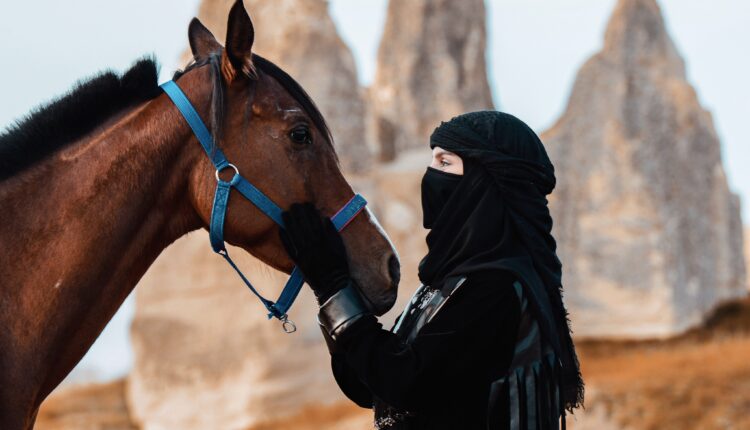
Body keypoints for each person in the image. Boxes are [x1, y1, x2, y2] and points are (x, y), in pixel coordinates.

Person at [280, 111, 584, 429]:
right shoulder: (446, 286)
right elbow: (367, 385)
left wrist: (333, 286)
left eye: (444, 162)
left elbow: (405, 383)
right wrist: (331, 284)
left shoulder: (497, 287)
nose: (429, 174)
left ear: (483, 181)